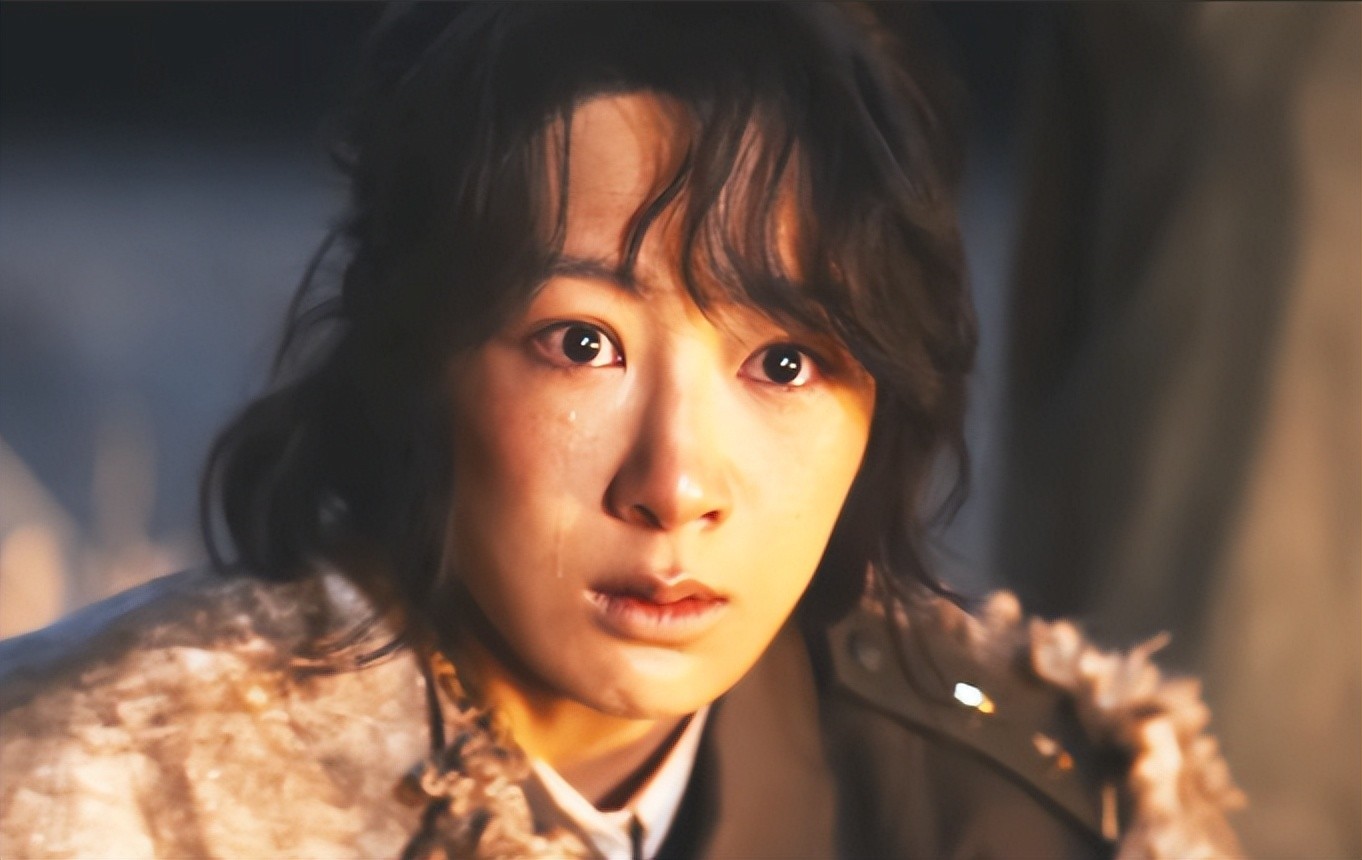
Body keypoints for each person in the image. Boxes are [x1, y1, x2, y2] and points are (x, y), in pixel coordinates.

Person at [0, 5, 1242, 858]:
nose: (677, 482)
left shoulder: (1036, 806)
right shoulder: (107, 793)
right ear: (415, 356)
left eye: (786, 361)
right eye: (582, 343)